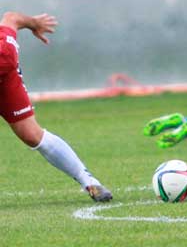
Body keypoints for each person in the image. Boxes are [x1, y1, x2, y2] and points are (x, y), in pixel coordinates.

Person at [0, 11, 112, 202]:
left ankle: (89, 181)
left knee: (31, 134)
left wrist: (34, 22)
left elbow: (12, 17)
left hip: (6, 81)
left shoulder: (5, 52)